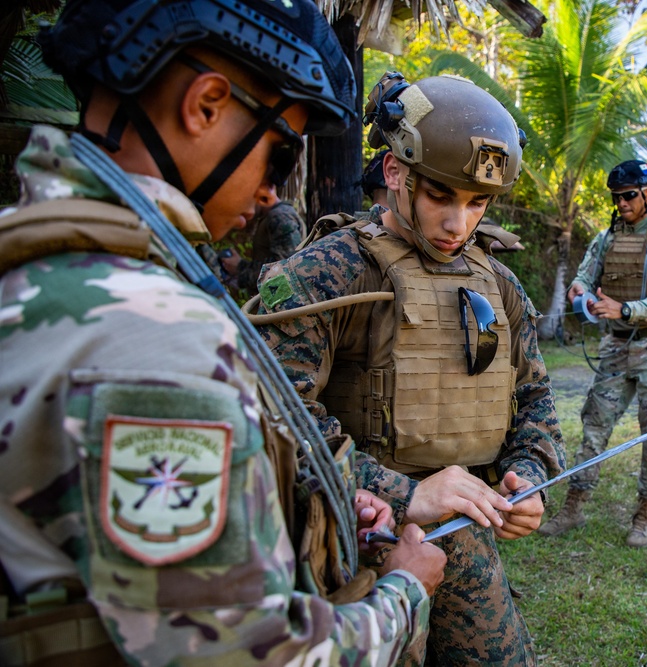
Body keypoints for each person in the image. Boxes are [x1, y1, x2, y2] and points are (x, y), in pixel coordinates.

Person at [0, 1, 447, 665]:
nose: (271, 193)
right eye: (279, 154)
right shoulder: (152, 337)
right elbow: (243, 654)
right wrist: (407, 588)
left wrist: (298, 503)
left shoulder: (42, 269)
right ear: (206, 104)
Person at [256, 71, 565, 665]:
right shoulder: (327, 274)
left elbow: (534, 396)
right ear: (396, 173)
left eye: (478, 203)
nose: (460, 225)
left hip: (459, 530)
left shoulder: (497, 281)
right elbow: (273, 417)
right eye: (441, 196)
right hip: (348, 532)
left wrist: (529, 473)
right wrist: (401, 493)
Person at [538, 159, 647, 548]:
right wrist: (578, 289)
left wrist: (626, 309)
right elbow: (586, 273)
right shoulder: (607, 237)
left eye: (628, 196)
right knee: (594, 427)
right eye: (616, 197)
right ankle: (574, 506)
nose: (621, 203)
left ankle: (645, 514)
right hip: (616, 347)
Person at [219, 185, 307, 295]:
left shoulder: (280, 217)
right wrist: (240, 265)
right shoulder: (273, 216)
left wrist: (240, 271)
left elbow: (284, 270)